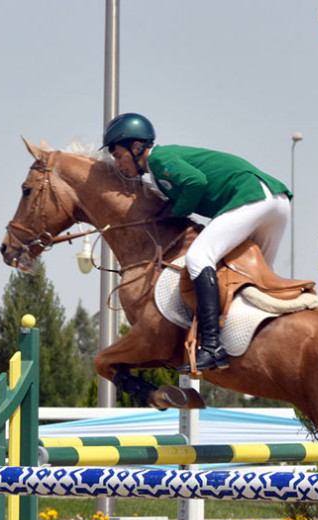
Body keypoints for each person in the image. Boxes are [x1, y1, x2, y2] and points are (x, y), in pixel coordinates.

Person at [102, 113, 292, 373]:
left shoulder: (158, 159)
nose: (117, 164)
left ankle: (212, 346)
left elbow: (195, 182)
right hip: (276, 202)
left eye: (118, 155)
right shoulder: (158, 171)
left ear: (137, 148)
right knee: (255, 278)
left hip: (251, 197)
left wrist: (176, 212)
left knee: (199, 257)